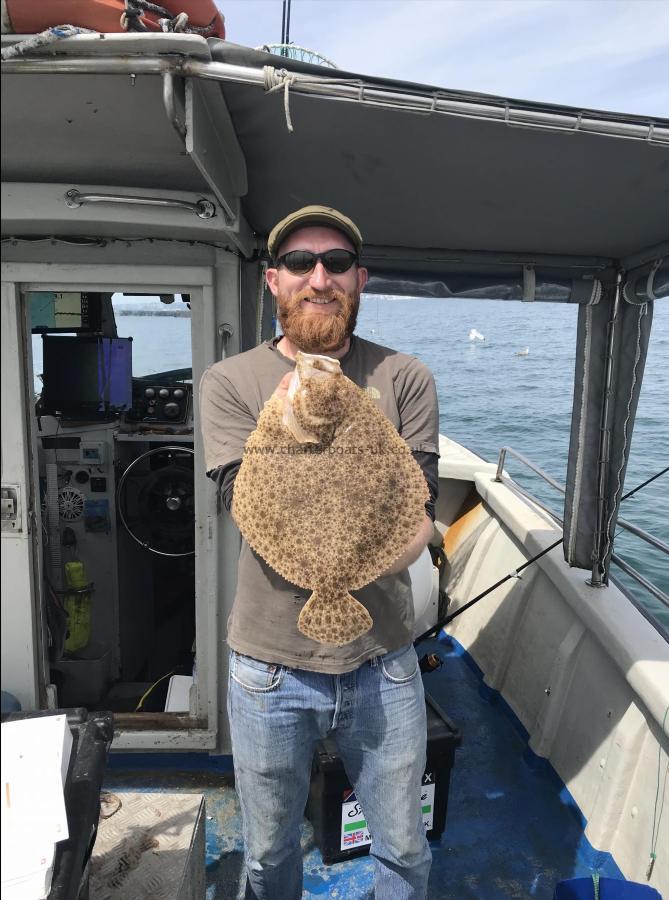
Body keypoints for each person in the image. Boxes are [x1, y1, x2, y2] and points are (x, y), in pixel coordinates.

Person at [199, 206, 439, 900]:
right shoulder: (231, 383)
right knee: (270, 853)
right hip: (269, 668)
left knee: (403, 846)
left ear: (358, 279)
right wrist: (285, 426)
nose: (319, 278)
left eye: (336, 263)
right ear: (273, 281)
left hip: (382, 659)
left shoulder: (403, 376)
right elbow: (241, 501)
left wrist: (389, 540)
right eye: (300, 264)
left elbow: (414, 495)